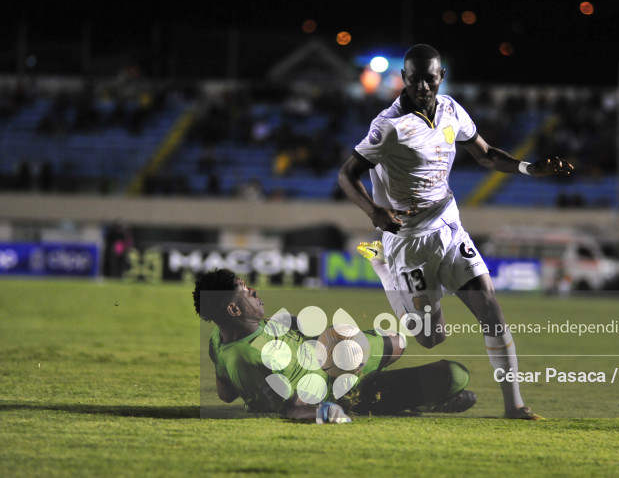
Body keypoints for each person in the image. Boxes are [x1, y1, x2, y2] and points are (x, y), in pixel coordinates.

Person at [338, 44, 573, 419]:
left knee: (490, 307)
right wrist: (375, 212)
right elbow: (346, 174)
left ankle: (515, 406)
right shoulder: (388, 126)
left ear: (441, 77)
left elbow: (484, 154)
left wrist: (529, 169)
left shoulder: (451, 110)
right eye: (415, 80)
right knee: (432, 338)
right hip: (407, 240)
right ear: (404, 79)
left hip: (448, 225)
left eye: (430, 79)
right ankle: (383, 266)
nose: (423, 87)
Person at [193, 268, 476, 423]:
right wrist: (328, 413)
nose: (254, 291)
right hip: (343, 390)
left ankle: (405, 394)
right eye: (245, 291)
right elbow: (292, 409)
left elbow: (226, 394)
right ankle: (418, 404)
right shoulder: (249, 357)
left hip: (325, 356)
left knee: (396, 341)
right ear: (233, 310)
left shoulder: (219, 339)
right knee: (454, 375)